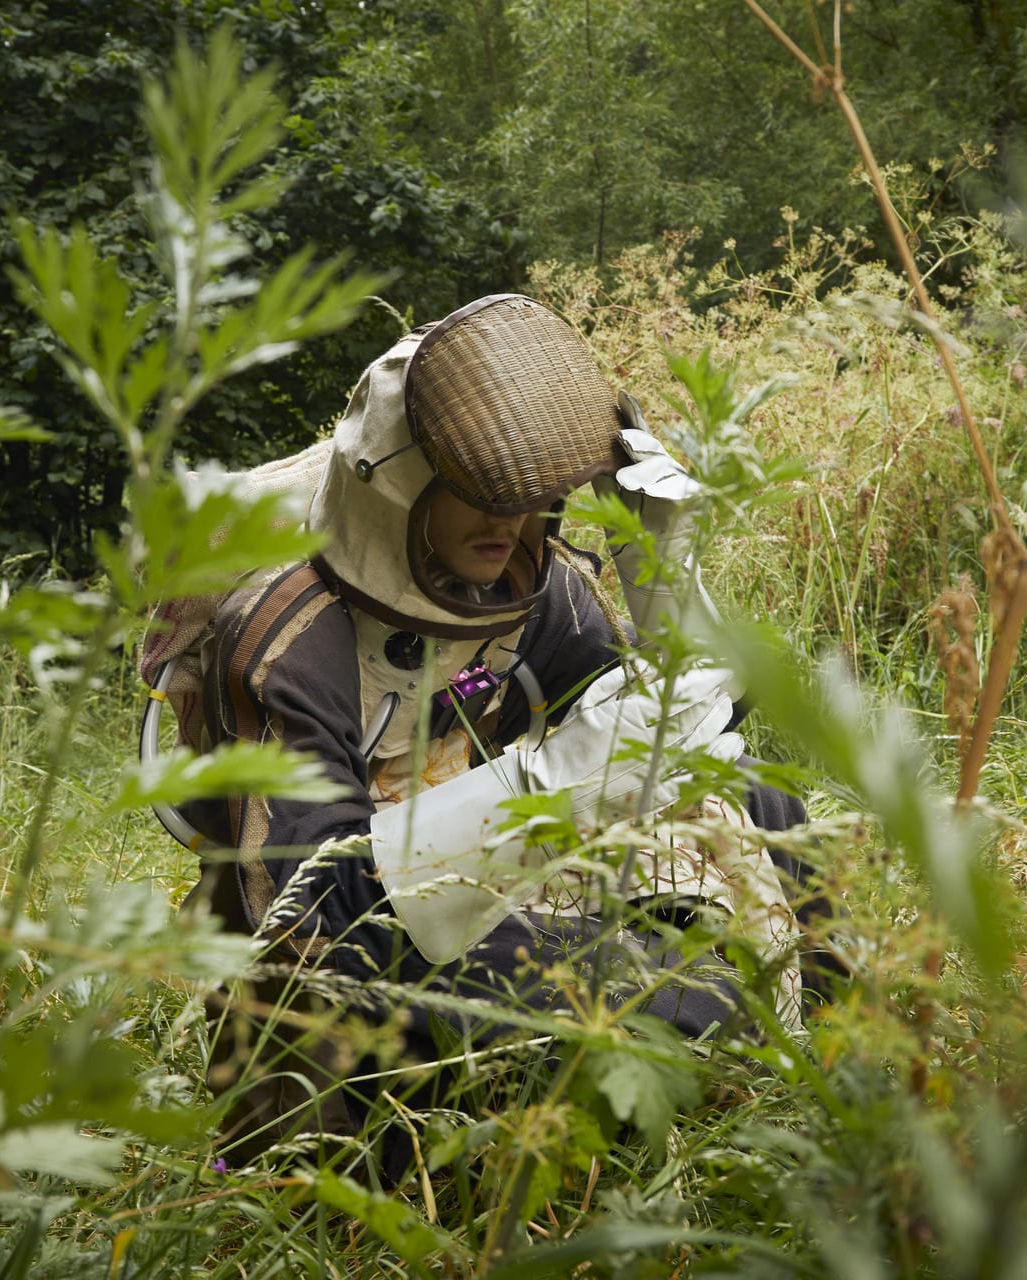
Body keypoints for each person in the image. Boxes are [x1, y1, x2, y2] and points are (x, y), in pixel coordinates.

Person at [158, 295, 827, 1171]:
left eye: (528, 497)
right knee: (606, 997)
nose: (508, 524)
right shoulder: (288, 638)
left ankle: (813, 1044)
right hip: (343, 971)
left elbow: (688, 742)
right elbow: (306, 919)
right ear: (398, 481)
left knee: (766, 804)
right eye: (477, 494)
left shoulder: (532, 585)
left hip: (490, 882)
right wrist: (538, 789)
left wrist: (660, 572)